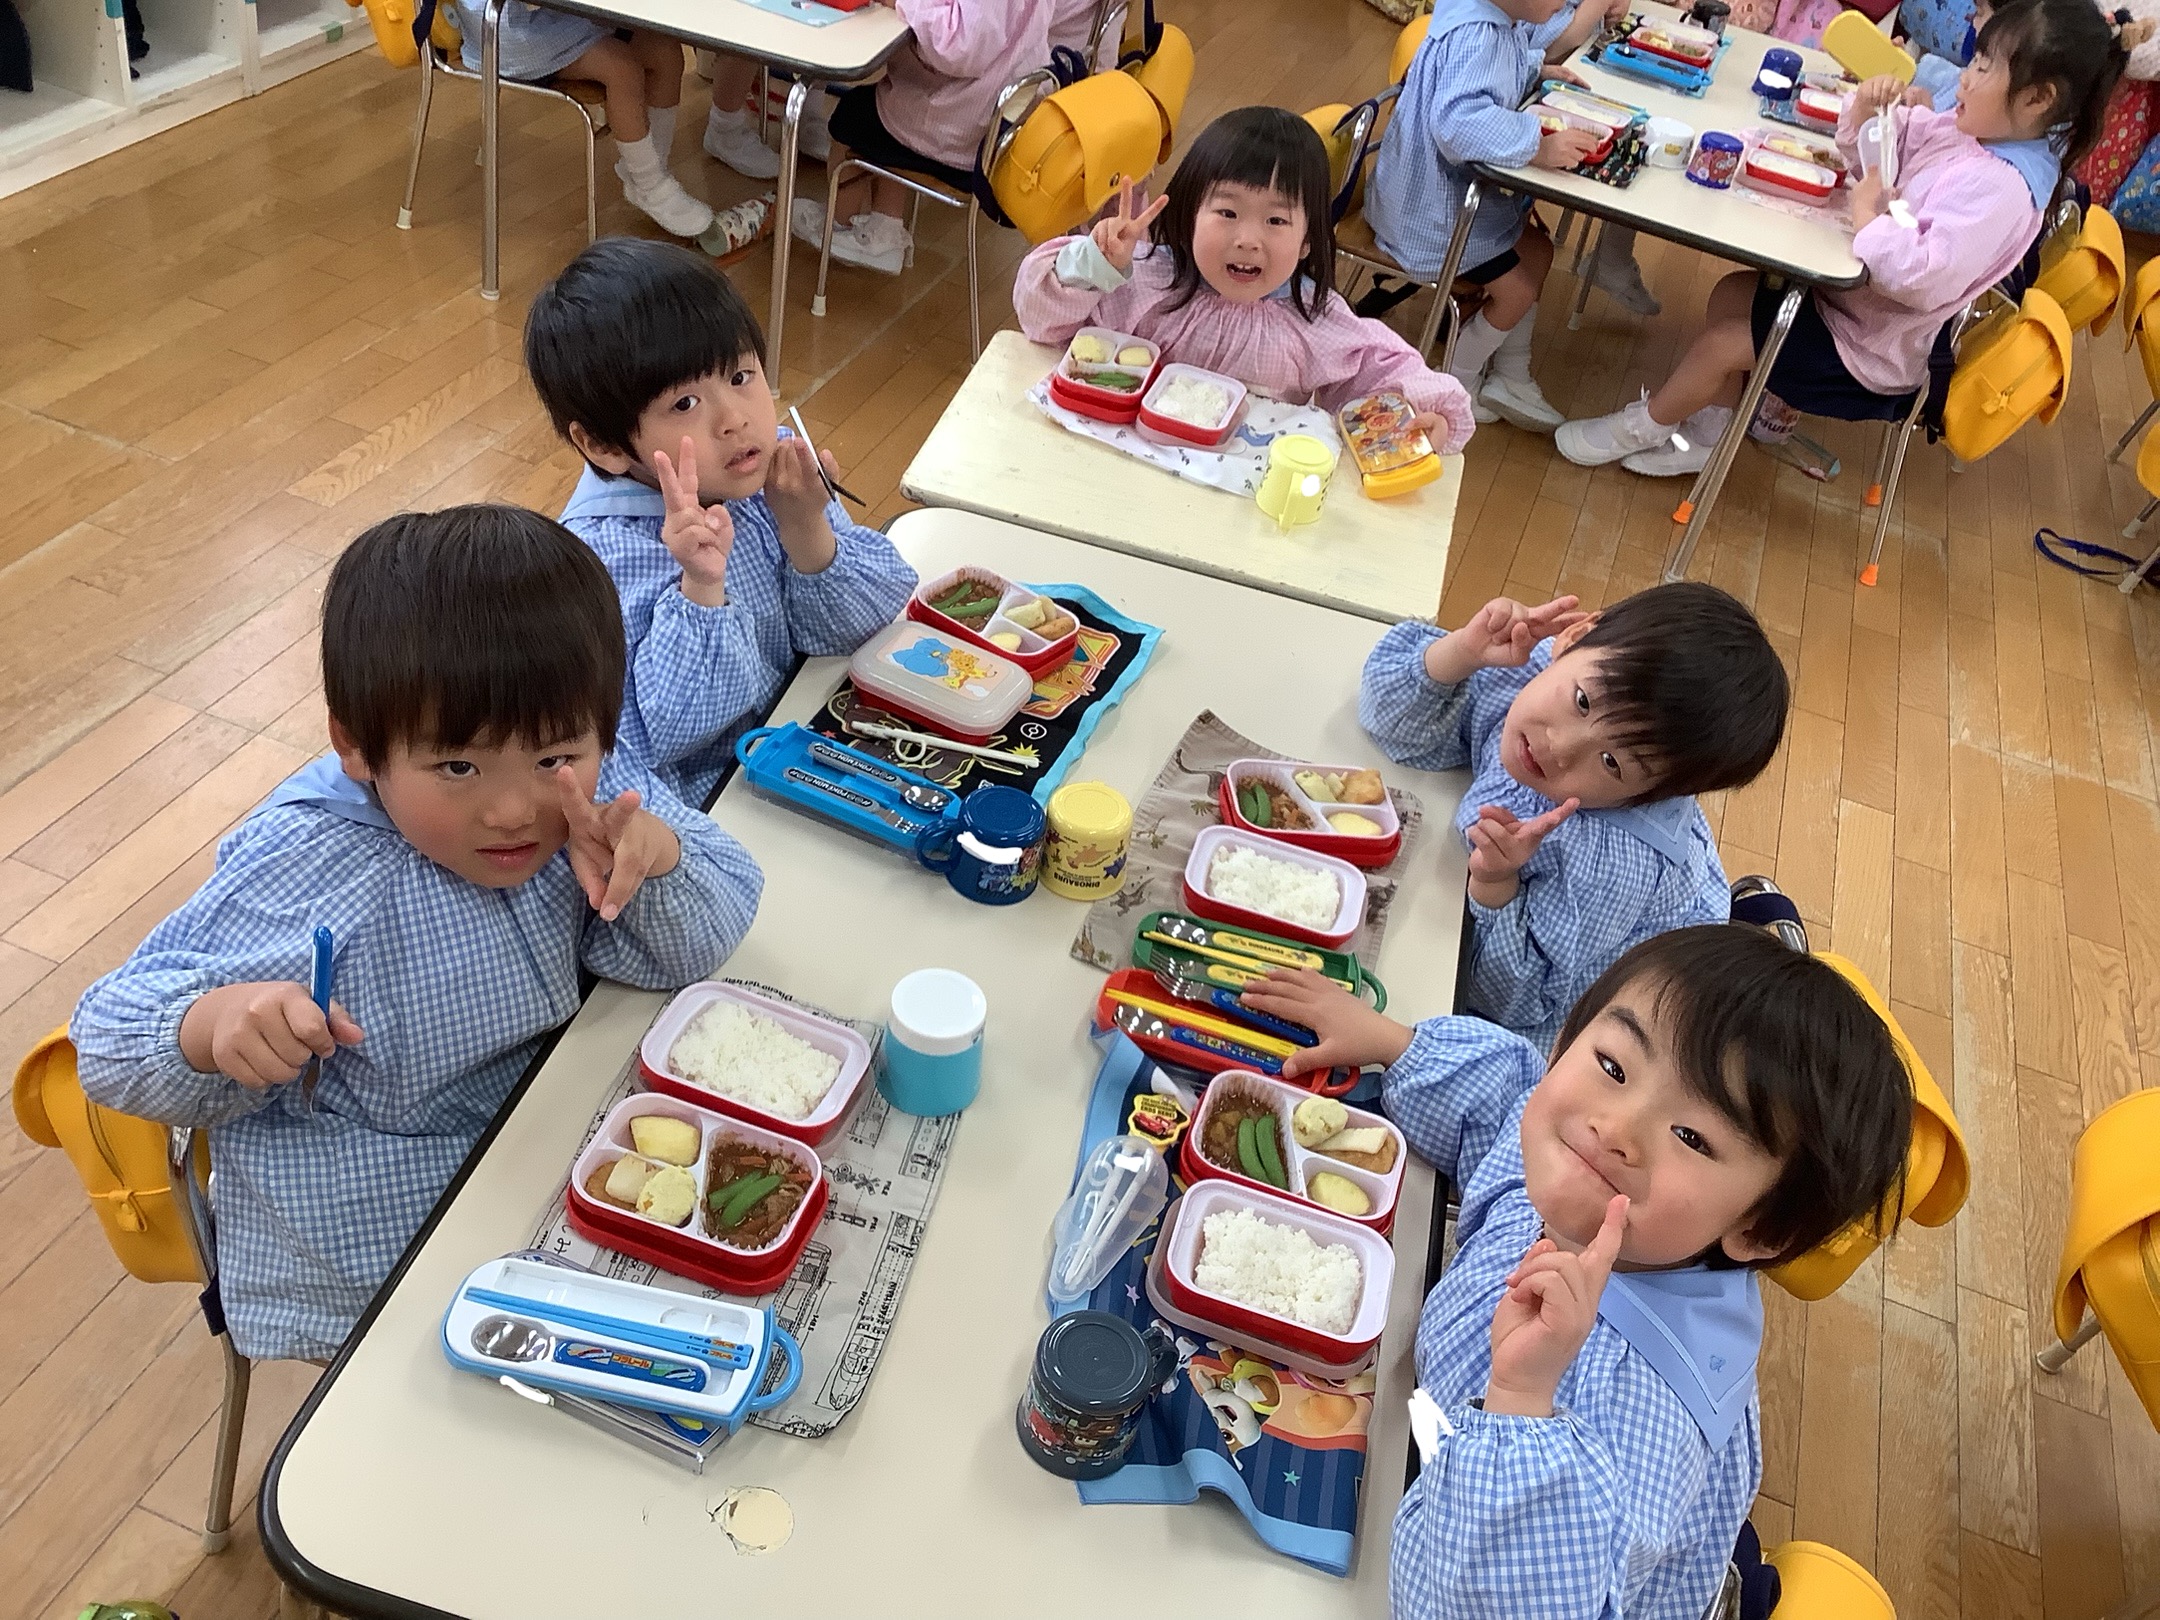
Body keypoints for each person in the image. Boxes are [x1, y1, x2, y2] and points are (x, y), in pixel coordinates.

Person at [68, 506, 765, 1364]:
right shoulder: (311, 870)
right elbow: (101, 1033)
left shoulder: (591, 783)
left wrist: (659, 861)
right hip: (381, 1230)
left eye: (553, 757)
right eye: (457, 767)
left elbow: (721, 913)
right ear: (358, 748)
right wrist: (211, 1026)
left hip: (554, 1138)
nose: (514, 808)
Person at [1242, 926, 1913, 1620]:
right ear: (1566, 1040)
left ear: (1759, 1228)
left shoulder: (1621, 1401)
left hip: (1463, 1544)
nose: (1613, 1125)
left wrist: (1522, 1402)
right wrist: (1391, 1040)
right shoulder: (1592, 1177)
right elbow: (1509, 1098)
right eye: (1616, 1066)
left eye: (1692, 1137)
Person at [1556, 0, 2132, 476]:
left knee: (1722, 344)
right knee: (1731, 294)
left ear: (2037, 99)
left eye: (1984, 67)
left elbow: (1922, 278)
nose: (1964, 75)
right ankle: (1705, 440)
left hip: (1874, 353)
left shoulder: (2003, 188)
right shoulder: (1976, 137)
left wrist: (1869, 216)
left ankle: (1635, 428)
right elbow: (1885, 153)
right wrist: (1868, 106)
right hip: (1857, 309)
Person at [527, 238, 916, 809]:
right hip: (721, 803)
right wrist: (701, 587)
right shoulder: (598, 563)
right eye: (685, 404)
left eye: (740, 376)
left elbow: (860, 631)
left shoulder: (770, 472)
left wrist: (808, 528)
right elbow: (670, 735)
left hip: (808, 739)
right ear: (605, 444)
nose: (735, 420)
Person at [1359, 584, 1788, 1054]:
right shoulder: (1536, 665)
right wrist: (1461, 651)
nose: (1558, 747)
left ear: (1645, 796)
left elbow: (1509, 1003)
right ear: (1579, 634)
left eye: (1611, 763)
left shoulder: (1605, 863)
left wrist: (1497, 886)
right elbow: (1388, 722)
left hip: (1573, 1015)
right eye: (1583, 702)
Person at [1014, 106, 1479, 454]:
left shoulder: (1311, 319)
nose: (1248, 239)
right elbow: (1040, 320)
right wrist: (1094, 263)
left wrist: (1424, 409)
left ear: (1306, 242)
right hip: (1113, 474)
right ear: (1189, 212)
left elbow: (1385, 369)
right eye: (1228, 212)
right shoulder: (1145, 276)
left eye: (1276, 221)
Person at [1355, 0, 1653, 433]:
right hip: (1429, 216)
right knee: (1516, 291)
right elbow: (1459, 124)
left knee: (1538, 250)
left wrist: (1537, 70)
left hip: (1424, 196)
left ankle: (1511, 375)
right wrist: (1539, 145)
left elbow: (1490, 72)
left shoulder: (1491, 18)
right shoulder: (1479, 36)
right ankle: (1456, 380)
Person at [444, 2, 761, 248]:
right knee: (622, 70)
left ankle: (648, 176)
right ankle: (650, 185)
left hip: (557, 17)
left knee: (665, 53)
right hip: (507, 33)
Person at [787, 0, 1058, 275]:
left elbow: (959, 48)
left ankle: (836, 222)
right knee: (893, 97)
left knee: (853, 118)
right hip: (993, 119)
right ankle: (885, 227)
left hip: (962, 127)